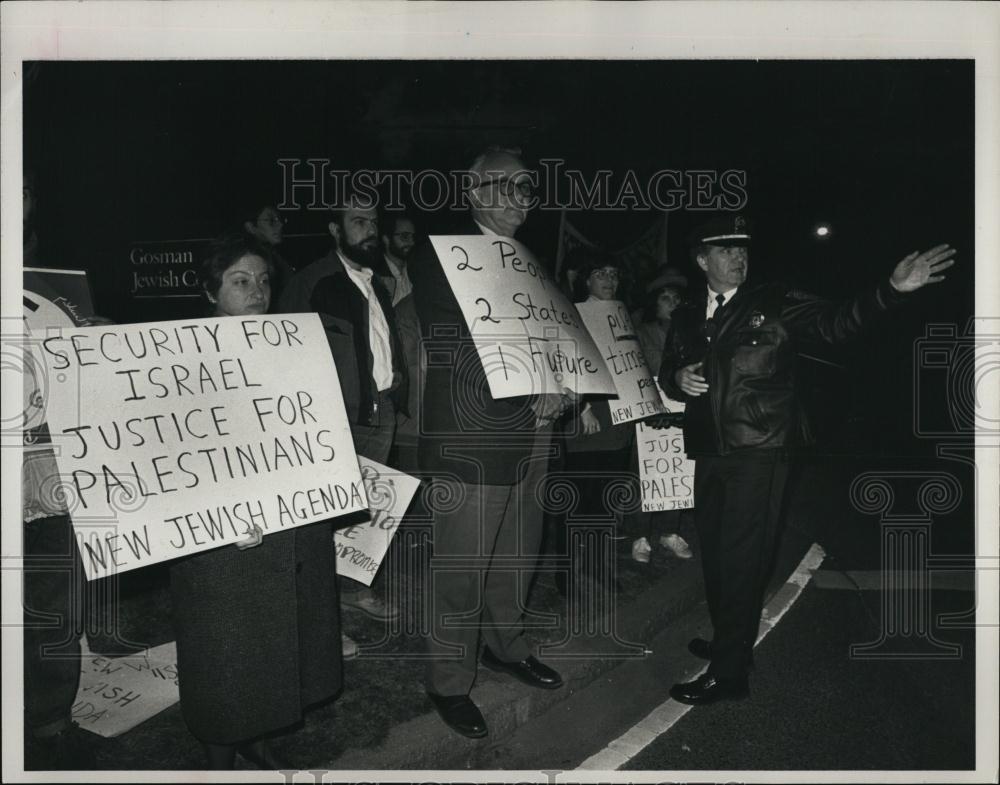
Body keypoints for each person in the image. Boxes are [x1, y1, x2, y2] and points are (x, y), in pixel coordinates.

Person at [658, 212, 956, 705]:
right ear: (701, 259)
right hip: (710, 448)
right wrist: (678, 379)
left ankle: (729, 673)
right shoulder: (689, 313)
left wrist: (891, 289)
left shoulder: (772, 300)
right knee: (715, 550)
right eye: (726, 250)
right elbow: (670, 367)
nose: (739, 257)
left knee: (742, 558)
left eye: (743, 249)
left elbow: (839, 324)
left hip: (763, 449)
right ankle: (729, 637)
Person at [410, 146, 566, 739]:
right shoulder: (442, 254)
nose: (518, 196)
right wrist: (533, 391)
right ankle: (448, 682)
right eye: (504, 184)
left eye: (527, 186)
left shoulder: (531, 262)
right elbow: (454, 343)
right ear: (472, 190)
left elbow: (557, 340)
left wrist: (565, 384)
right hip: (472, 433)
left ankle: (507, 644)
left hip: (536, 428)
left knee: (518, 550)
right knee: (462, 564)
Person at [169, 234, 341, 769]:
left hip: (283, 525)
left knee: (274, 634)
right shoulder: (178, 354)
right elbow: (166, 451)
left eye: (264, 280)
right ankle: (219, 748)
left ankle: (258, 735)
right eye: (240, 281)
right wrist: (218, 512)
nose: (257, 290)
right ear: (208, 289)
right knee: (222, 646)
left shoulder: (287, 343)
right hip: (217, 534)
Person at [278, 195, 409, 656]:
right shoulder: (313, 282)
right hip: (336, 424)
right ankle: (319, 619)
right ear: (335, 230)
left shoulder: (378, 280)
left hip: (381, 412)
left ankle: (352, 592)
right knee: (322, 524)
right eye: (357, 221)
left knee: (366, 518)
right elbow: (285, 355)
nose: (369, 228)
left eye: (373, 220)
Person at [552, 252, 633, 595]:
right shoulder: (571, 314)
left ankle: (598, 565)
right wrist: (581, 407)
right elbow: (562, 359)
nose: (609, 280)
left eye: (614, 274)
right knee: (574, 499)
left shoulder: (622, 315)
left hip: (617, 424)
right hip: (585, 422)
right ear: (586, 280)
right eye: (601, 273)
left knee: (604, 502)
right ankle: (565, 570)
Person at [629, 268, 694, 563]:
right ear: (654, 303)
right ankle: (639, 536)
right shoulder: (640, 333)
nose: (671, 303)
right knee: (644, 475)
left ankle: (670, 531)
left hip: (683, 413)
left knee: (677, 471)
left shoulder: (693, 334)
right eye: (665, 298)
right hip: (650, 414)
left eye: (676, 298)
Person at [379, 212, 422, 474]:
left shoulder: (413, 272)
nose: (410, 242)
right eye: (403, 236)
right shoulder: (374, 276)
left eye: (413, 237)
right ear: (386, 239)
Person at [241, 201, 295, 299]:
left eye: (279, 219)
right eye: (271, 220)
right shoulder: (247, 262)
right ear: (251, 227)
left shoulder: (276, 257)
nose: (280, 225)